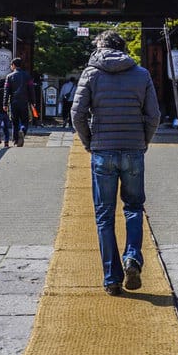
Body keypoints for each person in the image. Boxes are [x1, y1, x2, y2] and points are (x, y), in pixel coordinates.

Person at [71, 30, 160, 296]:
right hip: (133, 149)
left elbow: (77, 113)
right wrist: (143, 140)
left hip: (102, 151)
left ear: (101, 48)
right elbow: (153, 115)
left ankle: (111, 278)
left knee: (104, 215)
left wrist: (89, 141)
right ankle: (132, 257)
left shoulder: (91, 73)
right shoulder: (142, 74)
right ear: (123, 48)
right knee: (133, 207)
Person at [3, 57, 35, 147]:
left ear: (13, 65)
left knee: (14, 122)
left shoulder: (9, 77)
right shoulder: (27, 76)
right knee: (25, 121)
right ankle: (23, 130)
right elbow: (31, 89)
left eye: (11, 65)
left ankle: (15, 140)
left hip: (13, 102)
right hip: (24, 102)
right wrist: (33, 101)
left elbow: (6, 91)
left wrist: (4, 104)